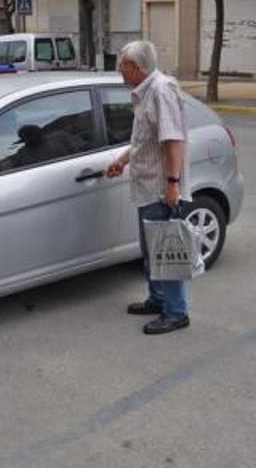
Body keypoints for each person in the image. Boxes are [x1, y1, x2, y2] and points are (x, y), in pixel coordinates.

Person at [106, 40, 192, 335]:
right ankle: (157, 300)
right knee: (151, 249)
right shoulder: (144, 93)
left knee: (165, 249)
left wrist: (172, 184)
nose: (119, 69)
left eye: (122, 64)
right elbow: (145, 139)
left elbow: (173, 140)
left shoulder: (160, 90)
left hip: (159, 187)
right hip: (146, 185)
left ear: (137, 67)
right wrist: (123, 159)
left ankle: (176, 311)